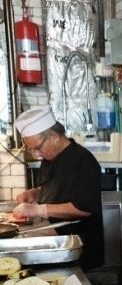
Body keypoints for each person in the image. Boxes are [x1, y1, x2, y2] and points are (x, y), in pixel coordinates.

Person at [14, 105, 104, 270]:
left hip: (77, 247)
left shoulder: (83, 161)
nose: (36, 155)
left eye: (37, 148)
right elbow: (55, 186)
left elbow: (83, 208)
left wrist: (39, 210)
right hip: (55, 234)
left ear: (54, 136)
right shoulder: (50, 157)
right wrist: (34, 193)